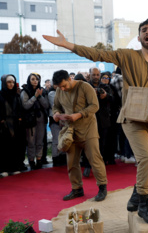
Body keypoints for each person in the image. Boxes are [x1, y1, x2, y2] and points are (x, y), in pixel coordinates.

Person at [43, 19, 148, 225]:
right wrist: (69, 45)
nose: (147, 32)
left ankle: (138, 194)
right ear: (139, 38)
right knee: (147, 158)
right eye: (144, 30)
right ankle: (144, 204)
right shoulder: (127, 55)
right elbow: (98, 54)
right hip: (131, 117)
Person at [51, 70, 108, 202]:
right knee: (71, 162)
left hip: (88, 129)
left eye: (64, 85)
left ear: (70, 79)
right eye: (60, 87)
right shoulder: (60, 90)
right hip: (70, 130)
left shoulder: (85, 87)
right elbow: (55, 106)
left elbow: (95, 106)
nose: (63, 89)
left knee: (95, 159)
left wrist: (79, 114)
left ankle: (102, 187)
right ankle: (77, 189)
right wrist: (56, 114)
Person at [20, 73, 49, 170]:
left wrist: (39, 96)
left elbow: (46, 105)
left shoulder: (42, 91)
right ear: (29, 80)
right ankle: (31, 161)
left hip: (41, 119)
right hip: (30, 120)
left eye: (36, 79)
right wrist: (35, 97)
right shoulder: (25, 91)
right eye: (33, 79)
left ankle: (39, 159)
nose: (35, 81)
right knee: (31, 142)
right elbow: (25, 106)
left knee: (40, 141)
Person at [0, 75, 26, 173]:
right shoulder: (0, 95)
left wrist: (20, 118)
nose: (11, 84)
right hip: (3, 126)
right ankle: (4, 169)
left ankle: (15, 167)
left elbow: (20, 109)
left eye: (13, 82)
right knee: (4, 147)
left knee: (16, 146)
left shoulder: (16, 95)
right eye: (9, 82)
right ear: (4, 83)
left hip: (16, 125)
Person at [48, 84, 66, 166]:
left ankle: (62, 156)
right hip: (55, 120)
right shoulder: (51, 93)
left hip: (64, 120)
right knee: (56, 140)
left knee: (64, 139)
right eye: (56, 84)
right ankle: (55, 157)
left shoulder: (65, 92)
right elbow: (57, 105)